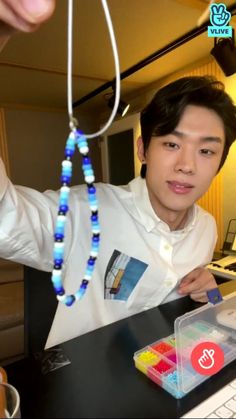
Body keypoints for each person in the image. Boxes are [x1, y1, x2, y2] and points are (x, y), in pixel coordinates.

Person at [0, 0, 236, 348]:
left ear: (219, 163)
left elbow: (197, 308)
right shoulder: (87, 212)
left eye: (206, 151)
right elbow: (6, 218)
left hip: (161, 373)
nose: (187, 165)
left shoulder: (206, 228)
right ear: (143, 150)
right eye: (171, 144)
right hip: (80, 388)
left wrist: (210, 294)